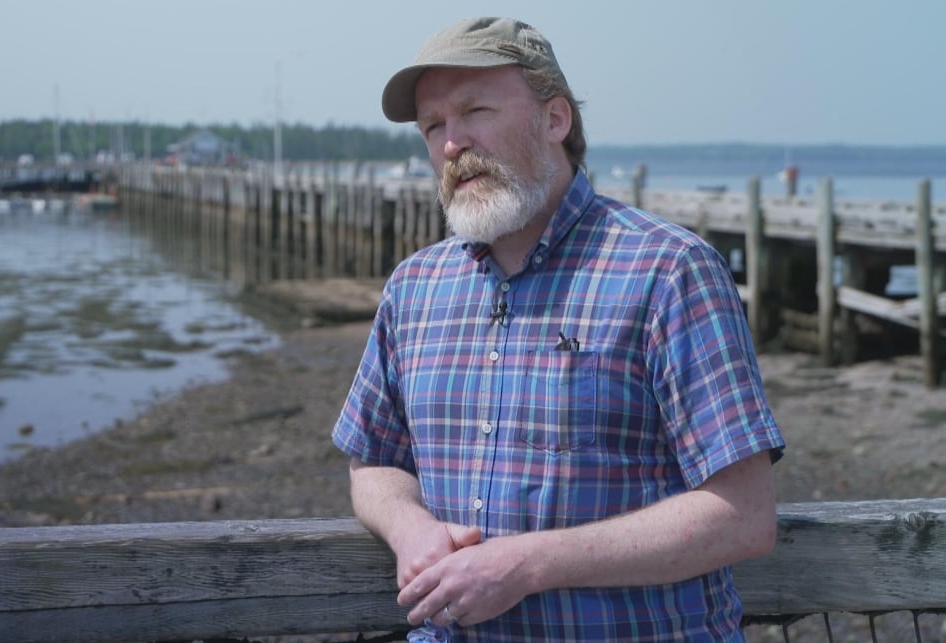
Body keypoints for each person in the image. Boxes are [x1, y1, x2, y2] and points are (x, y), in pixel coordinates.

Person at [331, 16, 786, 642]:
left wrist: (526, 564)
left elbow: (745, 515)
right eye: (433, 125)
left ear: (555, 119)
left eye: (474, 111)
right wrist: (409, 527)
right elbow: (373, 462)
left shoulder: (668, 270)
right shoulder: (414, 287)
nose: (451, 144)